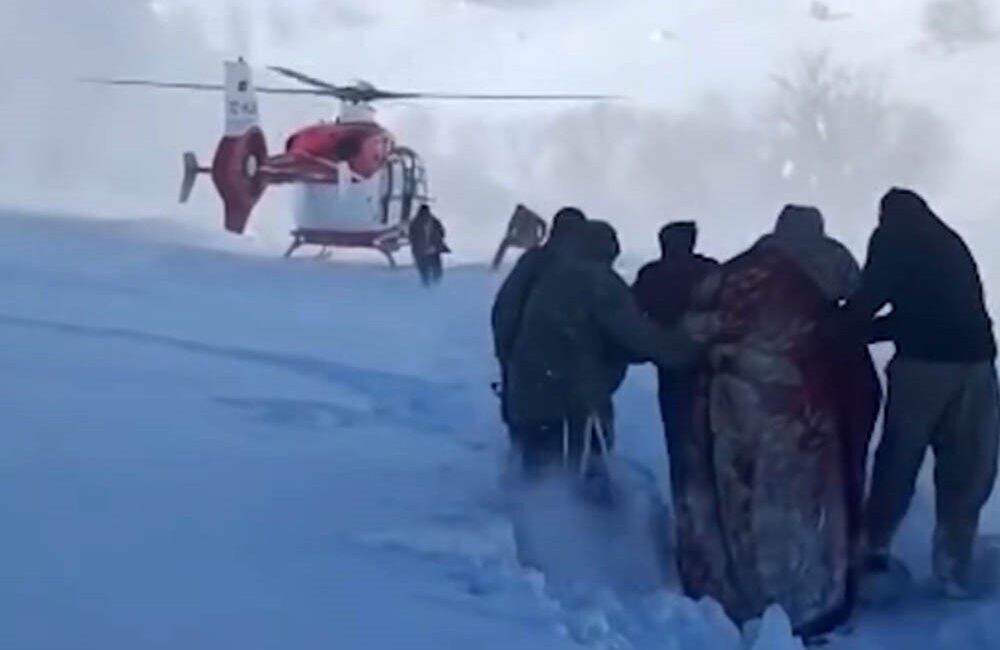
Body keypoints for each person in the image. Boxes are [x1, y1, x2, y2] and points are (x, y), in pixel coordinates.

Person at [677, 209, 881, 637]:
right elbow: (858, 294)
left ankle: (742, 596)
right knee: (801, 502)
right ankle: (805, 604)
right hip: (796, 402)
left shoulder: (735, 269)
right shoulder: (826, 259)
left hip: (729, 398)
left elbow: (692, 324)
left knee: (739, 494)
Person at [847, 188, 999, 598]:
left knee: (899, 457)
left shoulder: (892, 238)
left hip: (924, 368)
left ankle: (874, 554)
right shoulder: (947, 240)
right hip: (976, 363)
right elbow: (936, 307)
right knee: (968, 467)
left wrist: (842, 326)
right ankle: (954, 564)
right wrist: (874, 328)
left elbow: (871, 299)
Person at [505, 220, 698, 482]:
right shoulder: (597, 281)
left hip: (527, 395)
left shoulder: (557, 275)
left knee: (540, 476)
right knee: (581, 479)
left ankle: (540, 518)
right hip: (570, 403)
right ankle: (581, 522)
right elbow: (636, 336)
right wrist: (688, 349)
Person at [632, 221, 718, 500]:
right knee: (713, 446)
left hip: (671, 372)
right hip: (712, 370)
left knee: (679, 445)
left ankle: (686, 514)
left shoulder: (651, 275)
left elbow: (633, 316)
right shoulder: (710, 271)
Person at [491, 207, 587, 435]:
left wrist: (506, 358)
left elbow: (504, 312)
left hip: (526, 372)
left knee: (527, 447)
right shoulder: (580, 269)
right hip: (564, 379)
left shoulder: (532, 262)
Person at [755, 204, 861, 302]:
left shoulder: (765, 247)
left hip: (770, 317)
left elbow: (742, 279)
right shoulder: (835, 252)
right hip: (821, 317)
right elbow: (857, 292)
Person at [491, 204, 548, 270]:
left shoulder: (517, 215)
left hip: (522, 240)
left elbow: (511, 226)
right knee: (537, 251)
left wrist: (509, 235)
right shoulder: (533, 214)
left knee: (505, 242)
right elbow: (543, 224)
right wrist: (541, 237)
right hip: (533, 242)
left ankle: (495, 265)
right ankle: (541, 265)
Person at [408, 205, 449, 286]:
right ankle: (433, 288)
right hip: (429, 251)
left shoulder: (415, 222)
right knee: (434, 272)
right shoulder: (433, 221)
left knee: (427, 273)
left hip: (424, 252)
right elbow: (442, 233)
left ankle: (430, 288)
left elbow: (411, 237)